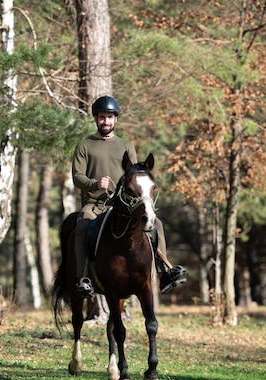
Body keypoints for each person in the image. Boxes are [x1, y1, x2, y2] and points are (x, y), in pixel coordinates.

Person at [72, 95, 187, 297]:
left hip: (125, 204)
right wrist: (95, 184)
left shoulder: (126, 146)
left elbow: (134, 174)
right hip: (95, 204)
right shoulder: (84, 145)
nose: (105, 121)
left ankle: (165, 272)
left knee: (156, 224)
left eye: (109, 117)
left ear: (115, 119)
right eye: (101, 117)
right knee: (82, 224)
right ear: (95, 119)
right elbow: (76, 177)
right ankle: (84, 279)